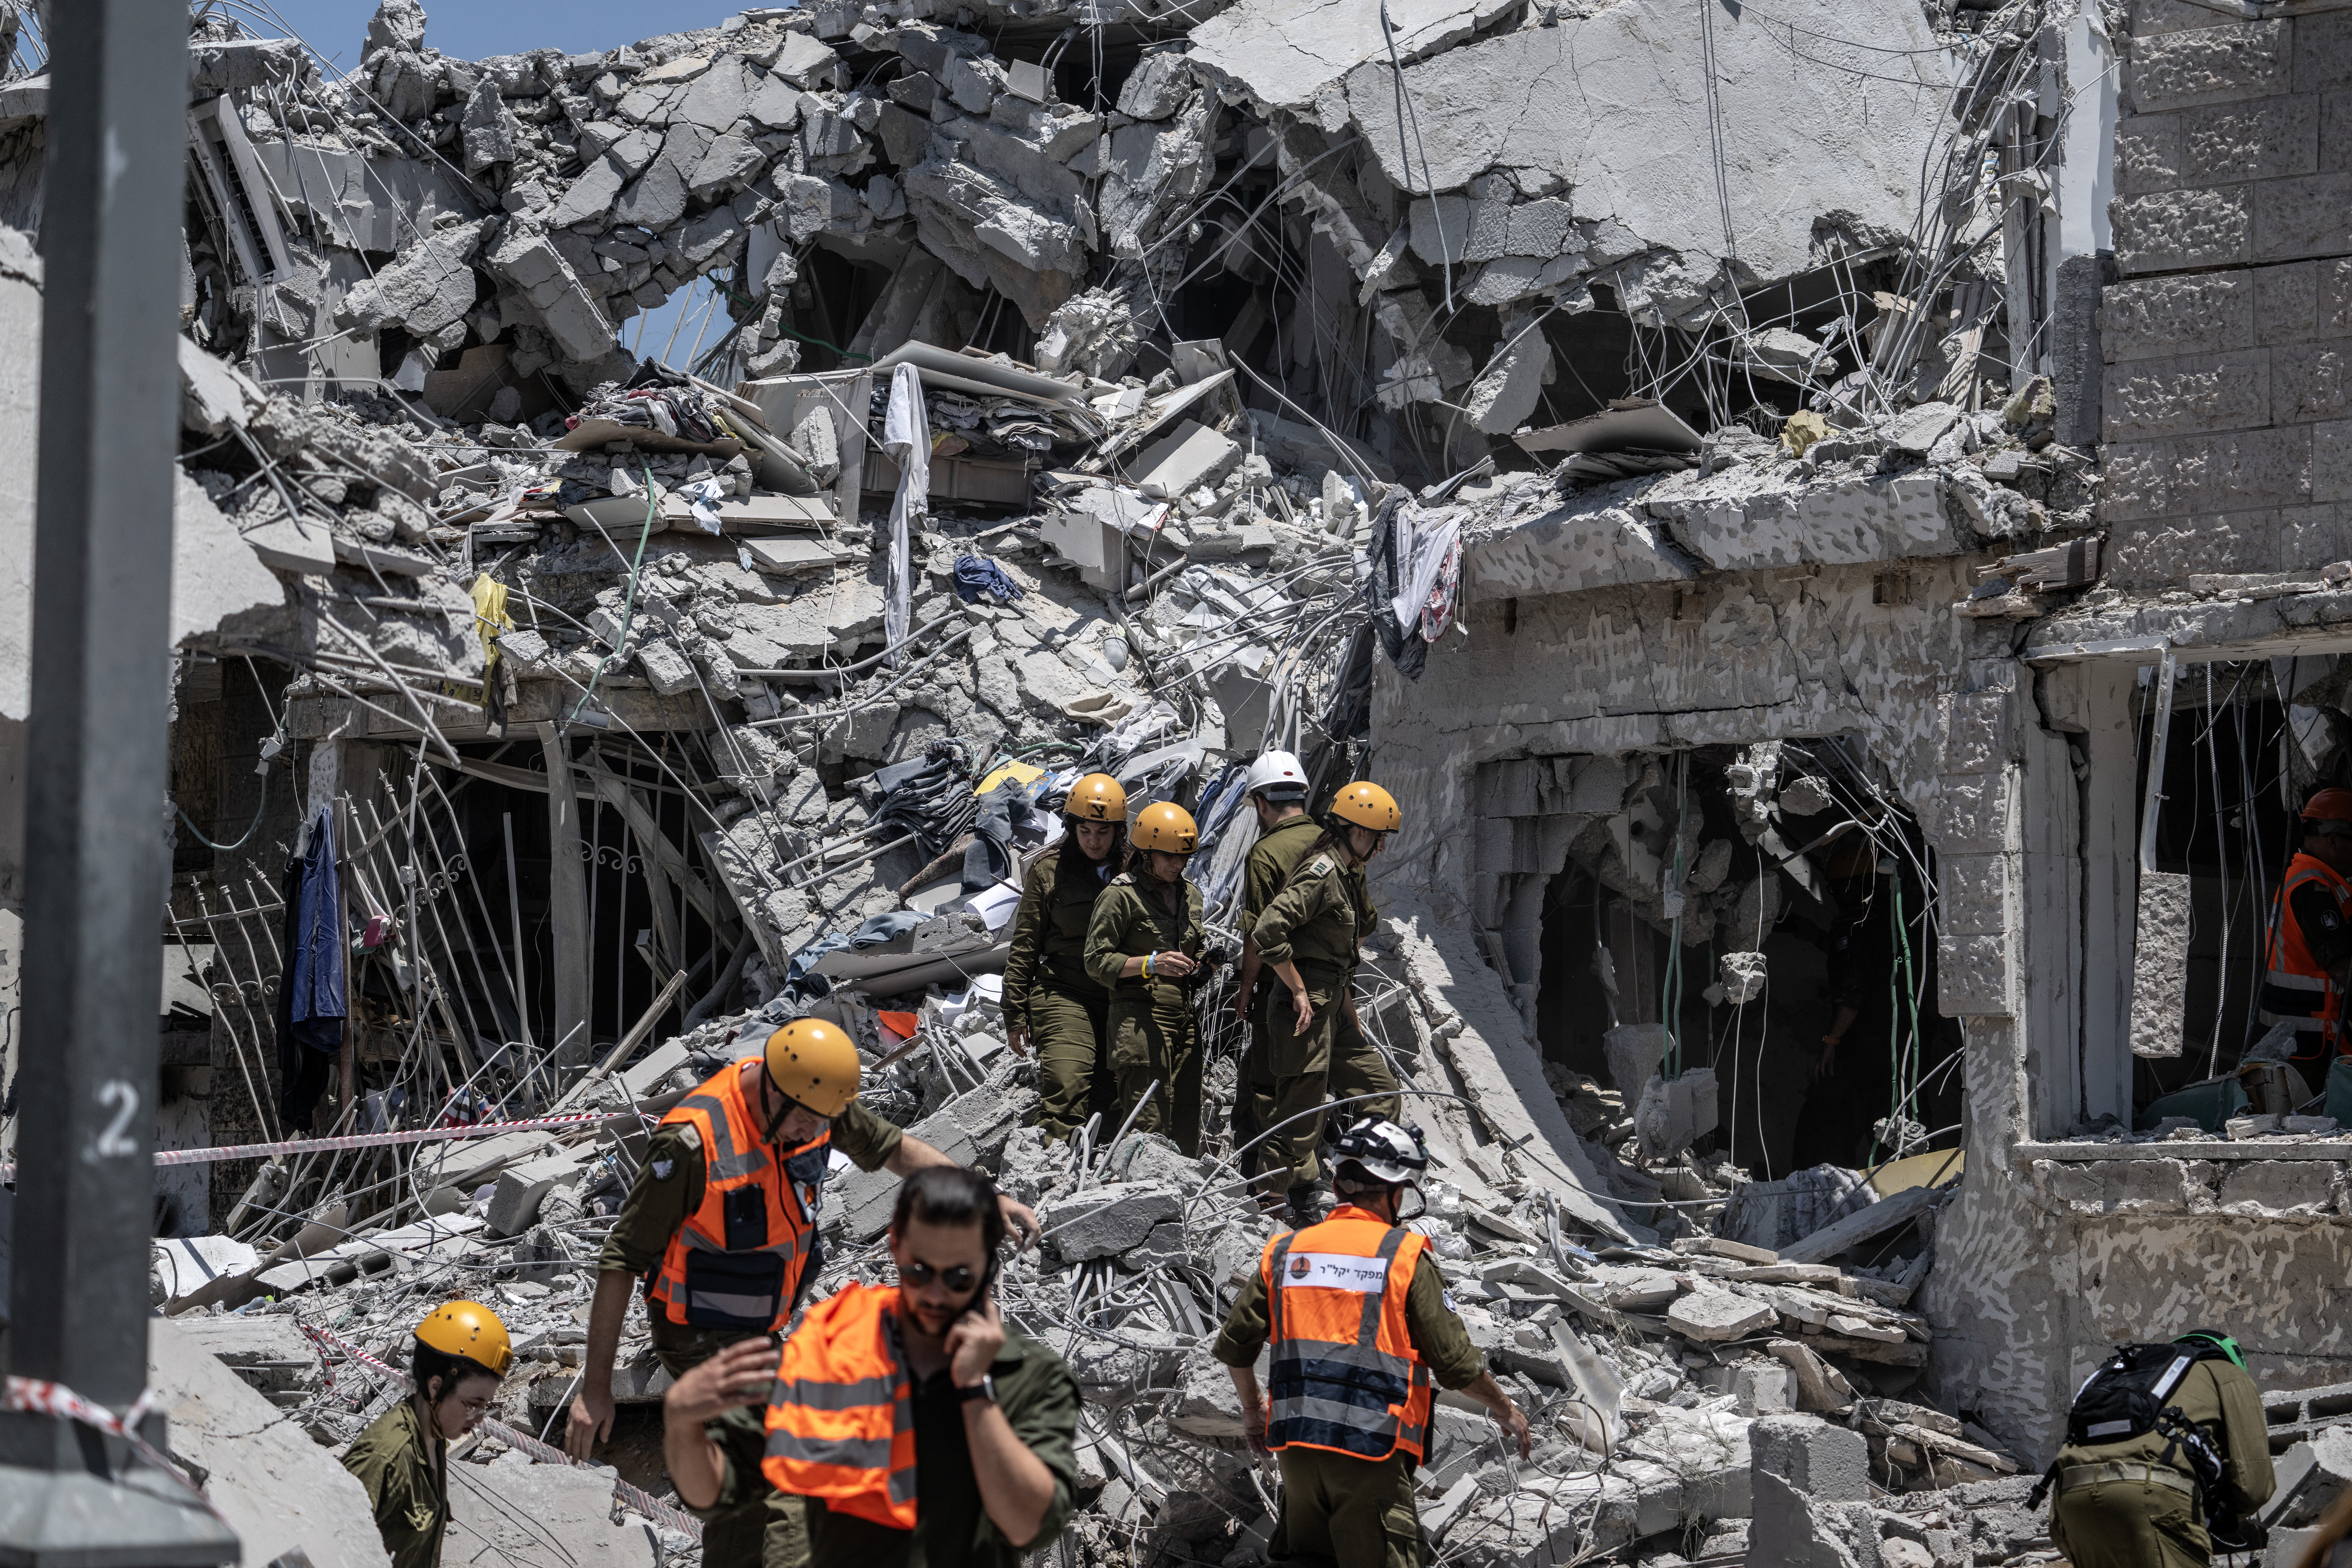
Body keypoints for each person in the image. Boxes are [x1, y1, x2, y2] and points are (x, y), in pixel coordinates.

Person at [567, 1018, 1040, 1567]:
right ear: (772, 1086)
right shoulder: (693, 1142)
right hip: (697, 1332)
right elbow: (621, 1258)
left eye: (822, 1121)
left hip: (759, 1326)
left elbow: (895, 1150)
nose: (812, 1130)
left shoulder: (815, 1104)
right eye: (803, 1118)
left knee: (747, 1497)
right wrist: (595, 1387)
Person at [662, 1164, 1081, 1568]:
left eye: (958, 1278)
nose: (936, 1295)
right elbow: (719, 1492)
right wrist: (682, 1422)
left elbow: (1029, 1526)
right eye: (919, 1273)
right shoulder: (833, 1346)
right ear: (895, 1247)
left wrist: (975, 1390)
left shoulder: (1029, 1374)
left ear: (988, 1264)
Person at [1214, 1119, 1531, 1568]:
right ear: (1394, 1193)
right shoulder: (1404, 1257)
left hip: (1298, 1452)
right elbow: (1455, 1364)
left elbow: (1235, 1346)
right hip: (1369, 1452)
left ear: (1337, 1184)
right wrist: (1504, 1407)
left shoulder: (1285, 1252)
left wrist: (1253, 1410)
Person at [1246, 781, 1404, 1223]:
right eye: (1378, 837)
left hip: (1333, 1004)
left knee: (1381, 1094)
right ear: (1356, 831)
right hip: (1305, 1010)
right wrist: (1298, 989)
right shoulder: (1322, 872)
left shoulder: (1349, 874)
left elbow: (1344, 949)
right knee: (1298, 1120)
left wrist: (1346, 1005)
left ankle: (1363, 1200)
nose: (1381, 848)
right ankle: (1268, 1214)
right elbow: (1268, 930)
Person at [2045, 1330, 2275, 1568]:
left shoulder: (2117, 1373)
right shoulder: (2228, 1373)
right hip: (2151, 1500)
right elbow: (2253, 1486)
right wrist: (2214, 1518)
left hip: (2069, 1505)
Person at [1000, 773, 1127, 1141]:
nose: (1094, 841)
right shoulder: (1048, 872)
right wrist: (1014, 1012)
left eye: (1103, 832)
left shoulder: (1136, 871)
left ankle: (1098, 1172)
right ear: (1072, 828)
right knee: (1068, 1084)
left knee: (1115, 1103)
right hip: (1065, 991)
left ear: (1119, 831)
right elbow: (1025, 946)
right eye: (1085, 831)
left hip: (1122, 998)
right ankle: (1050, 1168)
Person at [344, 1300, 513, 1568]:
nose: (479, 1418)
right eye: (472, 1405)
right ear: (436, 1388)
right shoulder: (386, 1459)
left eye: (486, 1406)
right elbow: (328, 1544)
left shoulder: (434, 1438)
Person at [1083, 801, 1210, 1155]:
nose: (1177, 865)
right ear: (1146, 853)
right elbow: (1096, 960)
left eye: (1183, 858)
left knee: (1185, 1120)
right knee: (1148, 1124)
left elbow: (1194, 946)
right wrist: (1151, 964)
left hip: (1184, 1018)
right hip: (1139, 1020)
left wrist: (1205, 964)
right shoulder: (1120, 896)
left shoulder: (1190, 895)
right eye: (1169, 856)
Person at [1226, 750, 1326, 1168]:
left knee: (1270, 1084)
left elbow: (1258, 934)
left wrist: (1247, 988)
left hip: (1280, 989)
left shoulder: (1265, 853)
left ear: (1262, 803)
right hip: (1328, 988)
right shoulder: (1332, 845)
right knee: (1305, 1080)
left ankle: (1273, 1181)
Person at [2261, 787, 2352, 1122]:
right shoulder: (2313, 888)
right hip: (2309, 1044)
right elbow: (2342, 967)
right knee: (2318, 1128)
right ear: (2334, 841)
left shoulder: (2313, 880)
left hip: (2301, 1041)